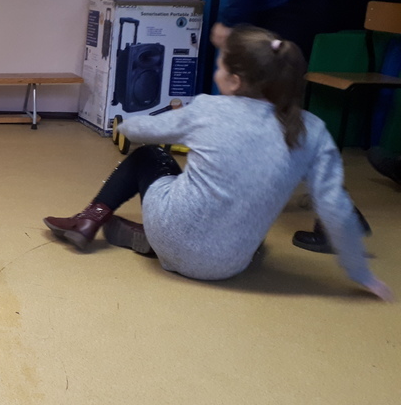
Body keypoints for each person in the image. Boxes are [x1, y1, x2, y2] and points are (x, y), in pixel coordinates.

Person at [43, 26, 393, 302]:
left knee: (150, 157)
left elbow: (141, 131)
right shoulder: (313, 130)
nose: (217, 71)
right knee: (251, 222)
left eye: (220, 65)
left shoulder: (209, 108)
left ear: (235, 81)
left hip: (170, 234)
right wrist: (360, 274)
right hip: (230, 264)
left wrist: (124, 126)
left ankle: (91, 220)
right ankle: (162, 238)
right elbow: (335, 208)